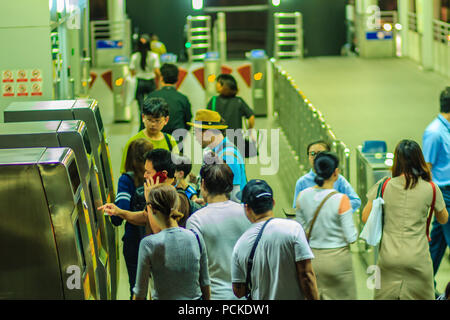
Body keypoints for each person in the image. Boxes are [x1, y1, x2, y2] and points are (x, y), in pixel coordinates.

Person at [362, 139, 448, 300]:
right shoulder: (431, 188)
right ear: (419, 160)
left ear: (397, 161)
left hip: (388, 257)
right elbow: (443, 219)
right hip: (418, 258)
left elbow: (365, 217)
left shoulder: (384, 185)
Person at [231, 179, 319, 300]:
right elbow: (306, 275)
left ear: (247, 208)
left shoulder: (240, 244)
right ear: (273, 202)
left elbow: (238, 291)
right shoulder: (293, 229)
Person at [295, 152, 358, 300]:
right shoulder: (341, 199)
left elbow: (301, 232)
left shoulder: (302, 196)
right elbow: (351, 237)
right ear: (336, 172)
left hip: (312, 259)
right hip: (338, 262)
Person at [132, 184, 210, 300]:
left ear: (152, 209)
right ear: (177, 205)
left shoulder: (148, 244)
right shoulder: (196, 237)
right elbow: (205, 282)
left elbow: (140, 293)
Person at [186, 164, 251, 300]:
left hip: (213, 295)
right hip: (245, 295)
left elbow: (193, 266)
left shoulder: (196, 220)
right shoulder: (247, 213)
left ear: (203, 184)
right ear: (230, 185)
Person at [110, 138, 153, 299]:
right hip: (158, 240)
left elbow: (118, 215)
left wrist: (116, 211)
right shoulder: (155, 178)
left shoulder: (126, 180)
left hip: (135, 243)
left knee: (136, 290)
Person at [423, 87, 450, 296]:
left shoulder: (447, 129)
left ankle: (424, 284)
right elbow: (427, 169)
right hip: (445, 194)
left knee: (438, 243)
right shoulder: (434, 133)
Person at [187, 109, 247, 202]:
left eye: (196, 133)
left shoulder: (228, 156)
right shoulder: (215, 152)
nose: (196, 137)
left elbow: (235, 197)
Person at [292, 140, 361, 214]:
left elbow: (355, 201)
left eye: (320, 154)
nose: (315, 157)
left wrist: (335, 207)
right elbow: (296, 208)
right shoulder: (302, 182)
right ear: (308, 157)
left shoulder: (338, 179)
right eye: (312, 154)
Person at [120, 97, 178, 174]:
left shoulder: (170, 141)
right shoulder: (134, 143)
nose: (153, 124)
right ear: (143, 118)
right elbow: (125, 171)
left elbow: (176, 169)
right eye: (149, 120)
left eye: (157, 121)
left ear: (166, 120)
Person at [206, 74, 256, 157]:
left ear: (224, 86)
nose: (216, 84)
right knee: (236, 164)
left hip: (218, 141)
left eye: (218, 82)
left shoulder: (213, 101)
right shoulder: (239, 101)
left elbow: (206, 120)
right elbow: (251, 118)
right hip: (236, 141)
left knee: (219, 166)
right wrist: (249, 130)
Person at [148, 63, 192, 150]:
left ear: (161, 78)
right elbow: (188, 121)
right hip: (177, 141)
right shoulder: (182, 98)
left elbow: (144, 122)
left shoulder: (151, 97)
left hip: (155, 142)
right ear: (177, 79)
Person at [129, 34, 161, 130]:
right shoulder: (154, 56)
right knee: (152, 107)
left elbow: (132, 72)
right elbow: (157, 72)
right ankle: (153, 127)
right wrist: (159, 83)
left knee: (142, 107)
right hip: (150, 83)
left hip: (139, 83)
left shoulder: (134, 56)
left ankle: (142, 128)